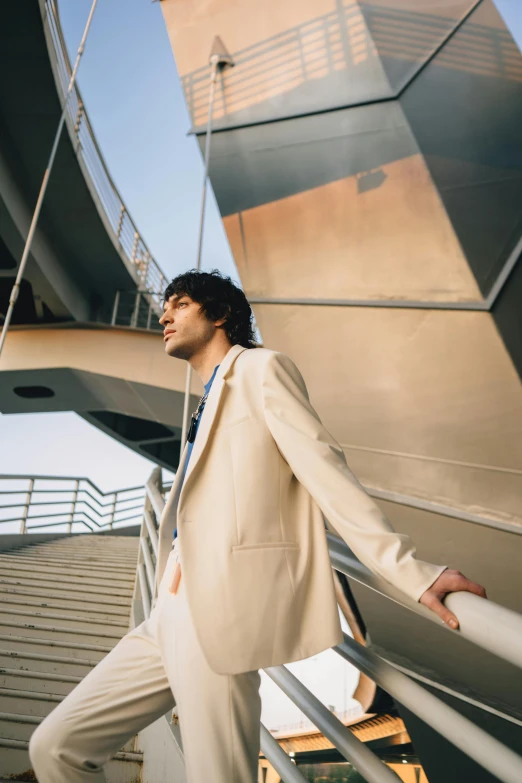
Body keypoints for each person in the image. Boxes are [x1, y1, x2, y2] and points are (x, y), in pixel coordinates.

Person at [29, 269, 487, 783]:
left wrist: (409, 571)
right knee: (55, 746)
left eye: (179, 304)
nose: (164, 316)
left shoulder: (262, 369)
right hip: (167, 611)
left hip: (218, 608)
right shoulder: (206, 403)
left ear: (219, 314)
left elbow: (324, 470)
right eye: (167, 306)